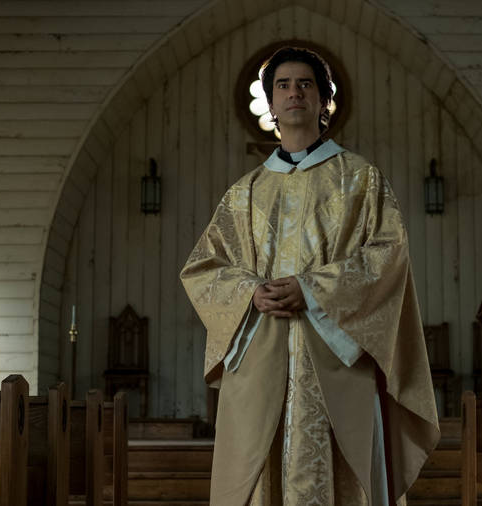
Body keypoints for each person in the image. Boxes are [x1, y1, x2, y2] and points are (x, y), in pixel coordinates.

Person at [180, 46, 439, 506]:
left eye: (306, 84)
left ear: (324, 102)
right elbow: (204, 268)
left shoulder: (360, 179)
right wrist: (251, 293)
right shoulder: (246, 193)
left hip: (335, 361)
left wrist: (313, 290)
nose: (294, 92)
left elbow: (387, 255)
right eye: (283, 85)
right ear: (272, 105)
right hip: (263, 359)